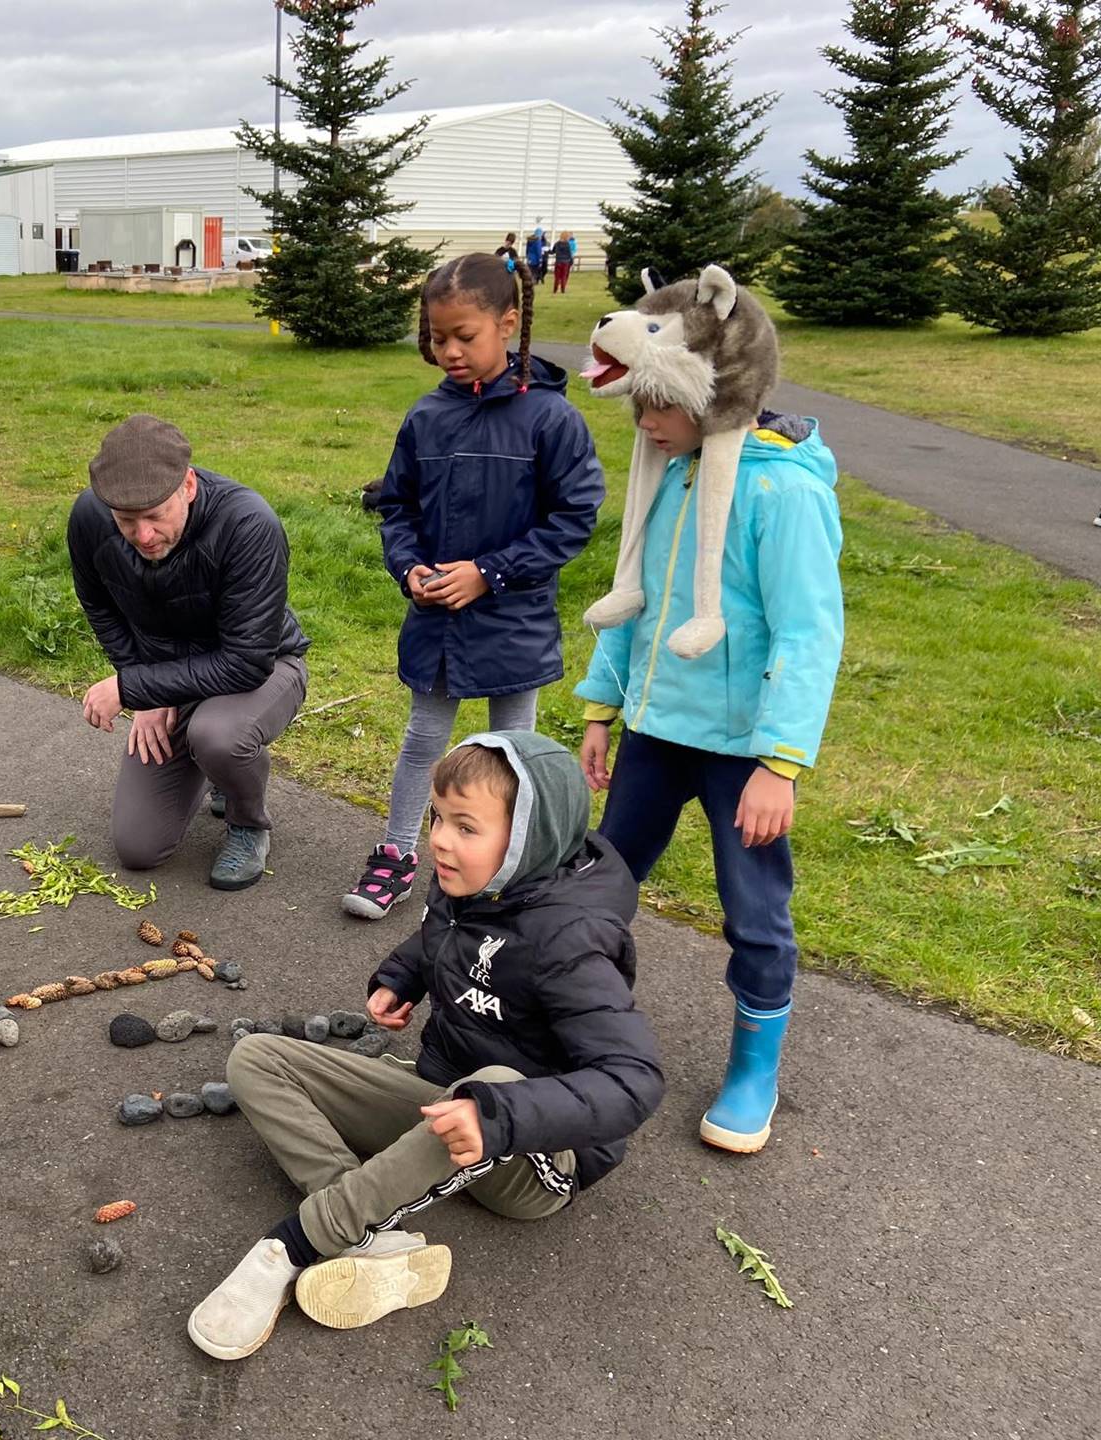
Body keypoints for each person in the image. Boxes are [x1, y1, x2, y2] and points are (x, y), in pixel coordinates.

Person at [188, 734, 664, 1358]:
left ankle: (296, 1246)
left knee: (493, 1084)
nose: (439, 838)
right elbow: (443, 936)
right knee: (256, 1058)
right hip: (444, 1097)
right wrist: (400, 975)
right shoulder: (470, 880)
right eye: (438, 817)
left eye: (467, 827)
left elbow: (636, 1078)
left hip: (534, 1156)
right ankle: (369, 1232)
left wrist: (501, 1117)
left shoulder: (569, 942)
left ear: (529, 840)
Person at [575, 397, 842, 1155]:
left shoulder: (784, 491)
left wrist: (778, 764)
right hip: (654, 732)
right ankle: (577, 1020)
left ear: (715, 397)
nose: (645, 426)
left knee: (754, 910)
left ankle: (755, 1069)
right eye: (638, 407)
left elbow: (809, 629)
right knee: (599, 882)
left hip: (744, 754)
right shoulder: (675, 474)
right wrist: (602, 704)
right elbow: (641, 600)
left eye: (662, 409)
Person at [341, 254, 603, 920]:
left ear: (509, 324)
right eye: (437, 336)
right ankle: (397, 855)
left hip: (513, 622)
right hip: (436, 625)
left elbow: (573, 520)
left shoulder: (551, 420)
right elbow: (395, 507)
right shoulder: (426, 417)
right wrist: (409, 570)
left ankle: (514, 873)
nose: (448, 351)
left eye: (465, 336)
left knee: (514, 753)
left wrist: (489, 574)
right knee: (423, 741)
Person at [68, 414, 310, 891]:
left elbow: (246, 659)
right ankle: (210, 765)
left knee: (218, 734)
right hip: (167, 678)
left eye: (155, 516)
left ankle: (247, 821)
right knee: (138, 848)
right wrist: (147, 688)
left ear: (189, 486)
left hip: (263, 668)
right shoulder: (90, 518)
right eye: (126, 522)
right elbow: (99, 604)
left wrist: (133, 687)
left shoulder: (248, 524)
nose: (143, 536)